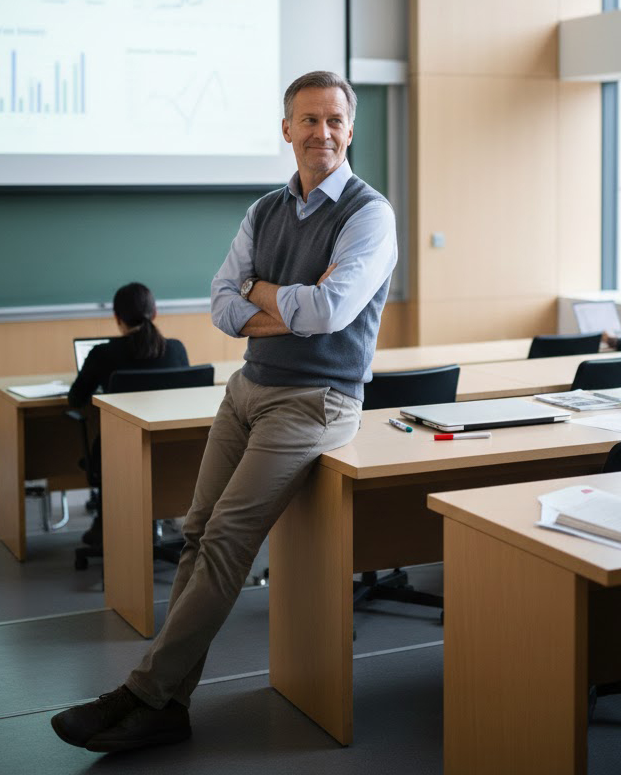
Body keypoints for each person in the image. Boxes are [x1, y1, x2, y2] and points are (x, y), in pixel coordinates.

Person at [50, 70, 397, 754]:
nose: (320, 132)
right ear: (286, 129)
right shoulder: (263, 211)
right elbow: (222, 307)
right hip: (247, 390)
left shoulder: (369, 214)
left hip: (317, 400)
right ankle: (169, 703)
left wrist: (261, 293)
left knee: (229, 543)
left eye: (333, 120)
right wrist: (283, 305)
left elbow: (328, 313)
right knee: (197, 534)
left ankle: (143, 691)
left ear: (350, 129)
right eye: (307, 120)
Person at [68, 282, 189, 548]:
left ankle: (108, 525)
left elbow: (75, 398)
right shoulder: (177, 349)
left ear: (117, 319)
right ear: (154, 312)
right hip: (176, 453)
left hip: (120, 454)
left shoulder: (102, 354)